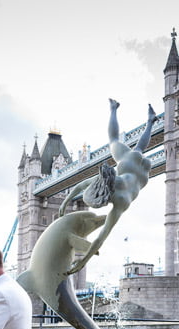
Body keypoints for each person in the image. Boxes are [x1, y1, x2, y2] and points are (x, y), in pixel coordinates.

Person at [59, 98, 157, 274]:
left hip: (143, 175)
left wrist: (82, 263)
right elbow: (82, 185)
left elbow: (100, 239)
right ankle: (116, 109)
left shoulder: (121, 203)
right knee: (116, 142)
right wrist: (64, 203)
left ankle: (148, 120)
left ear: (104, 201)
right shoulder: (109, 182)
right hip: (130, 164)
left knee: (133, 146)